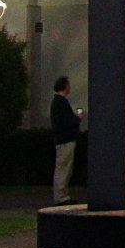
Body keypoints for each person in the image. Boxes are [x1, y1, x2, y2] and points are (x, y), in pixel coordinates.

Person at [50, 75, 82, 205]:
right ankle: (61, 196)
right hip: (65, 140)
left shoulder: (56, 102)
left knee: (63, 168)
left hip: (61, 140)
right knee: (64, 169)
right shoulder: (61, 102)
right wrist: (77, 118)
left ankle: (62, 195)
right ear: (64, 86)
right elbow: (67, 122)